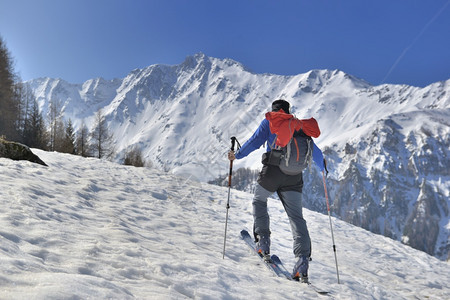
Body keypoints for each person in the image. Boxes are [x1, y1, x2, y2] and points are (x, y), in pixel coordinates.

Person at [228, 99, 325, 283]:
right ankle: (302, 261)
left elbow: (254, 141)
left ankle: (263, 241)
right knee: (296, 217)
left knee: (259, 200)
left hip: (273, 172)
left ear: (274, 110)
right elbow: (316, 152)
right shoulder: (299, 125)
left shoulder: (270, 121)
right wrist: (323, 169)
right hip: (295, 176)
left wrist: (237, 155)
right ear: (288, 111)